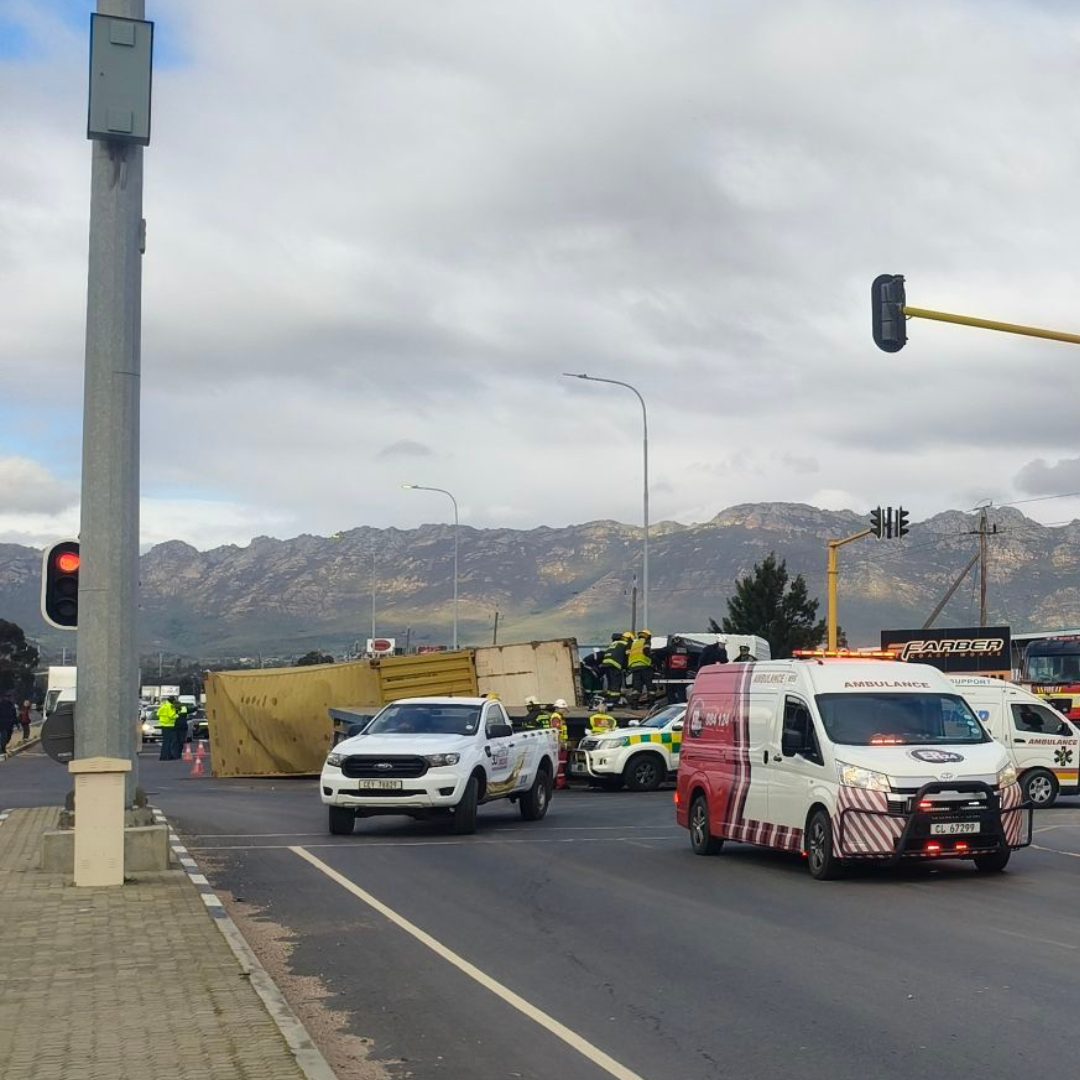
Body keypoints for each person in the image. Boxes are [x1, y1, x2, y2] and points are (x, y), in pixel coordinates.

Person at [627, 630, 654, 696]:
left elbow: (628, 654)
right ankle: (651, 704)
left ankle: (635, 705)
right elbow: (646, 651)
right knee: (650, 686)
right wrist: (653, 659)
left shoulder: (634, 643)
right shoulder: (646, 641)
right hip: (644, 665)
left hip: (634, 667)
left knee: (636, 687)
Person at [0, 692, 16, 759]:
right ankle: (2, 749)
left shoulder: (11, 705)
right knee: (4, 737)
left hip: (10, 724)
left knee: (8, 737)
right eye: (7, 697)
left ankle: (3, 747)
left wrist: (17, 723)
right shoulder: (1, 705)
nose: (8, 698)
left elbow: (14, 715)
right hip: (2, 724)